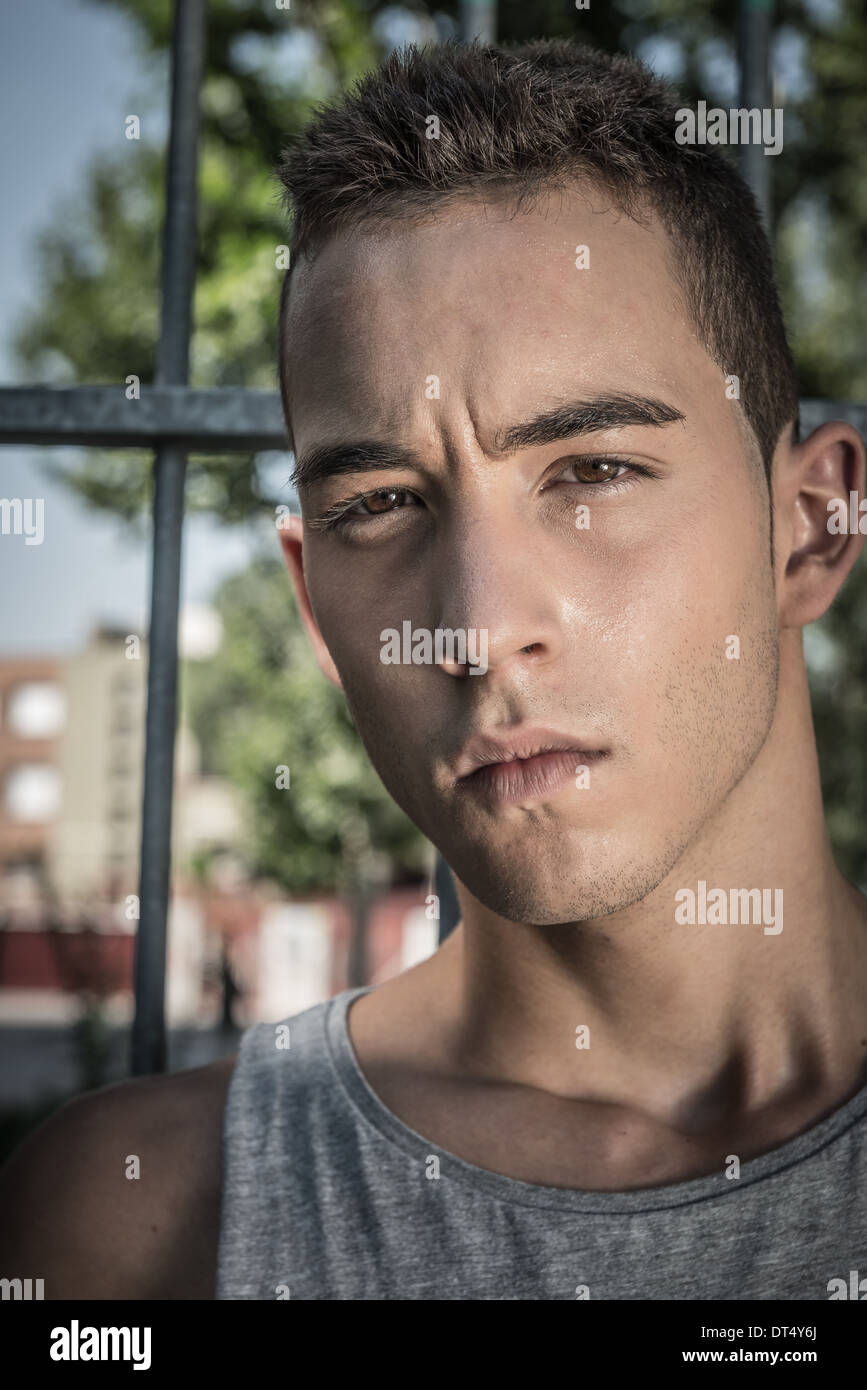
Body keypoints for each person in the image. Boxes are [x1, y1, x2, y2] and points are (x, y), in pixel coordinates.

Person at [2, 38, 866, 1301]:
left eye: (592, 470)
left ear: (811, 529)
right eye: (381, 505)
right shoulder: (135, 1225)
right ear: (314, 601)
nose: (478, 627)